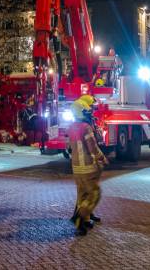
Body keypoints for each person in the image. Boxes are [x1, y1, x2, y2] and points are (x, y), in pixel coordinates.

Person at [67, 95, 107, 235]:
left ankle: (83, 219)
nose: (90, 113)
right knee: (93, 194)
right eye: (87, 111)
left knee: (82, 194)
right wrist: (101, 158)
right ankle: (80, 215)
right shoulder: (85, 127)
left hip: (76, 168)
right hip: (88, 167)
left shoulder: (71, 127)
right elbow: (92, 147)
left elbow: (70, 147)